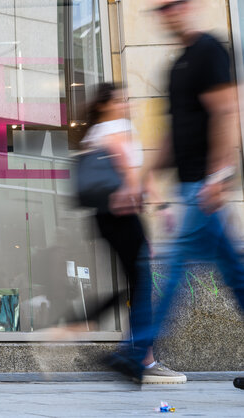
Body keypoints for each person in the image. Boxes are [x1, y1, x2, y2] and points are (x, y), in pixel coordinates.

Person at [108, 0, 243, 385]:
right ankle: (138, 352)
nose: (168, 14)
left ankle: (137, 352)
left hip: (204, 185)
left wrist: (219, 176)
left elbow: (226, 112)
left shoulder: (210, 51)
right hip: (191, 186)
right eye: (162, 10)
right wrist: (137, 181)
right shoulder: (176, 67)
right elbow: (171, 137)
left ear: (190, 7)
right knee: (236, 276)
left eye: (174, 7)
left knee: (177, 264)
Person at [65, 83, 185, 384]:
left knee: (136, 281)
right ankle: (141, 358)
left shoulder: (93, 134)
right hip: (123, 212)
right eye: (119, 99)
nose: (125, 103)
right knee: (142, 283)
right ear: (105, 104)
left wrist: (156, 203)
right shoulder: (118, 127)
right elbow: (130, 166)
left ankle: (134, 352)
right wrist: (150, 203)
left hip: (105, 216)